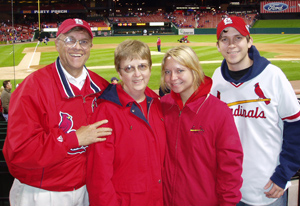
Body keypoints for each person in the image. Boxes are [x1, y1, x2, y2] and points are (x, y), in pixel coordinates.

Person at [3, 18, 112, 206]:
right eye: (70, 40)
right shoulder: (32, 87)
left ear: (90, 46)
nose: (77, 47)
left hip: (88, 189)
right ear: (57, 44)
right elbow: (19, 152)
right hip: (43, 191)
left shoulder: (102, 87)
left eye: (83, 41)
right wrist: (73, 139)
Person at [210, 16, 300, 206]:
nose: (231, 44)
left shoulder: (273, 76)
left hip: (267, 190)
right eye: (225, 39)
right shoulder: (217, 79)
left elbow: (295, 127)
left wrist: (283, 173)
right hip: (228, 190)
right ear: (218, 46)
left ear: (249, 41)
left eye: (238, 38)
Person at [86, 39, 166, 206]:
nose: (137, 74)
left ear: (151, 69)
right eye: (129, 68)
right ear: (120, 73)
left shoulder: (158, 105)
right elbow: (99, 178)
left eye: (142, 66)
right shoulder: (106, 112)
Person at [160, 45, 243, 205]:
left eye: (180, 70)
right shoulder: (163, 106)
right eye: (167, 72)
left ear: (194, 70)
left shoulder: (219, 111)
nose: (172, 78)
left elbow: (230, 167)